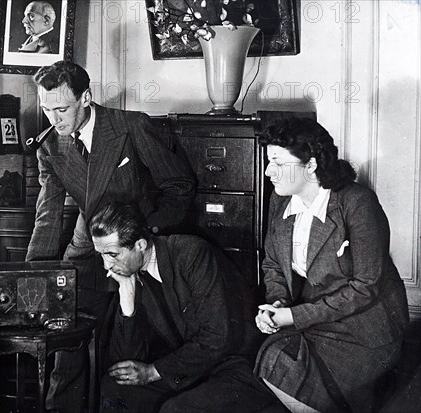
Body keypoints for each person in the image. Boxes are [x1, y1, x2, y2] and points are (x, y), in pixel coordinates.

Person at [25, 61, 196, 411]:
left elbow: (178, 186)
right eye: (46, 109)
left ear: (86, 97)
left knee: (131, 348)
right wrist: (32, 275)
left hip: (139, 249)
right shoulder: (49, 147)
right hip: (86, 249)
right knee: (67, 349)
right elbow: (48, 215)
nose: (54, 120)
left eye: (61, 109)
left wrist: (146, 236)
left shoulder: (131, 126)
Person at [254, 118, 409, 413]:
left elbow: (365, 288)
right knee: (271, 355)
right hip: (317, 319)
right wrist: (277, 304)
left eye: (277, 162)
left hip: (366, 329)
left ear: (310, 166)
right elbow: (273, 264)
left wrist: (294, 316)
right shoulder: (280, 200)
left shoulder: (357, 202)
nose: (267, 171)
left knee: (279, 362)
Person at [90, 202, 284, 413]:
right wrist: (127, 298)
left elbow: (218, 337)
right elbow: (125, 361)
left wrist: (153, 371)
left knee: (176, 410)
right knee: (114, 388)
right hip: (190, 368)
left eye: (112, 254)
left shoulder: (192, 254)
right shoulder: (133, 274)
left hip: (234, 366)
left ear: (140, 245)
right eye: (101, 255)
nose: (106, 266)